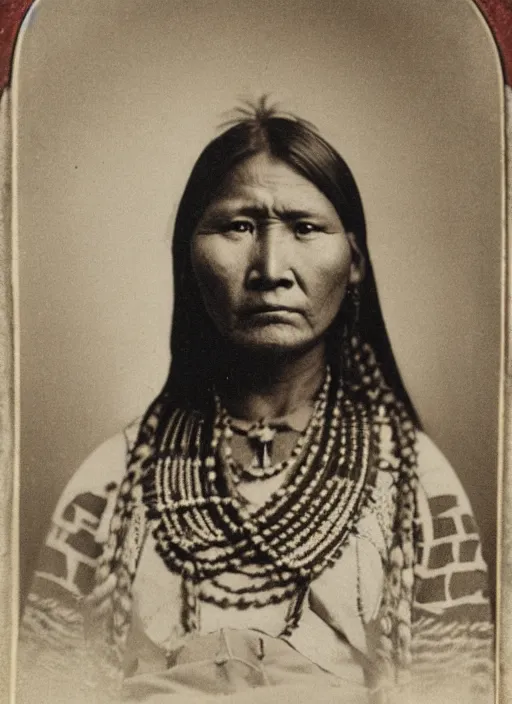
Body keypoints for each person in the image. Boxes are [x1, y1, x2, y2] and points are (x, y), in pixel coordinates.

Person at [17, 100, 494, 704]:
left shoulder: (417, 490)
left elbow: (460, 690)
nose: (270, 268)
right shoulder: (111, 486)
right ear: (189, 262)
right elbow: (41, 686)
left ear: (355, 264)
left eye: (304, 227)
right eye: (238, 227)